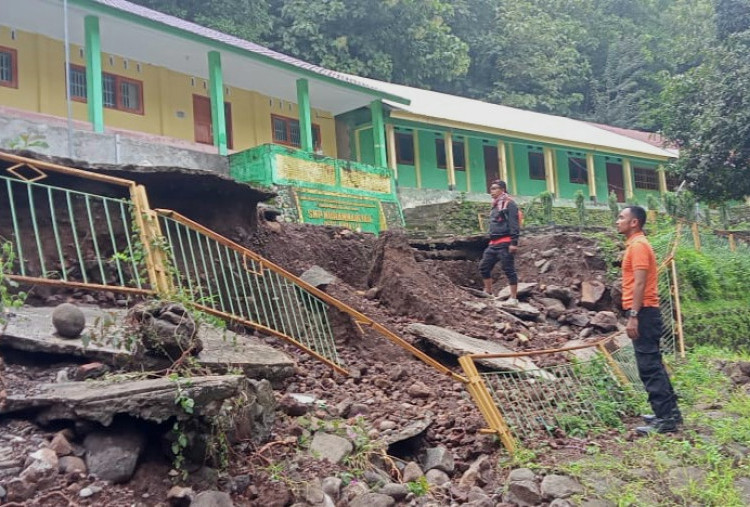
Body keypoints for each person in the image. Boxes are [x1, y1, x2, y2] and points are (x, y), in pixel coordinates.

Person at [616, 205, 682, 435]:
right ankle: (670, 413)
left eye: (621, 217)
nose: (618, 221)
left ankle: (665, 420)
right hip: (645, 312)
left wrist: (633, 316)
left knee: (649, 367)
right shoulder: (635, 245)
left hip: (644, 313)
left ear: (634, 222)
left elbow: (640, 284)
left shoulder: (639, 246)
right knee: (654, 364)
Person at [479, 180, 520, 304]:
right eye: (491, 189)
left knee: (508, 269)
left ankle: (513, 298)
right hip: (493, 243)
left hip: (505, 242)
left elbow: (514, 224)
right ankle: (489, 292)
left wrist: (514, 243)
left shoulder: (509, 204)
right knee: (484, 267)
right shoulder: (495, 205)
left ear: (502, 190)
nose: (492, 191)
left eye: (494, 188)